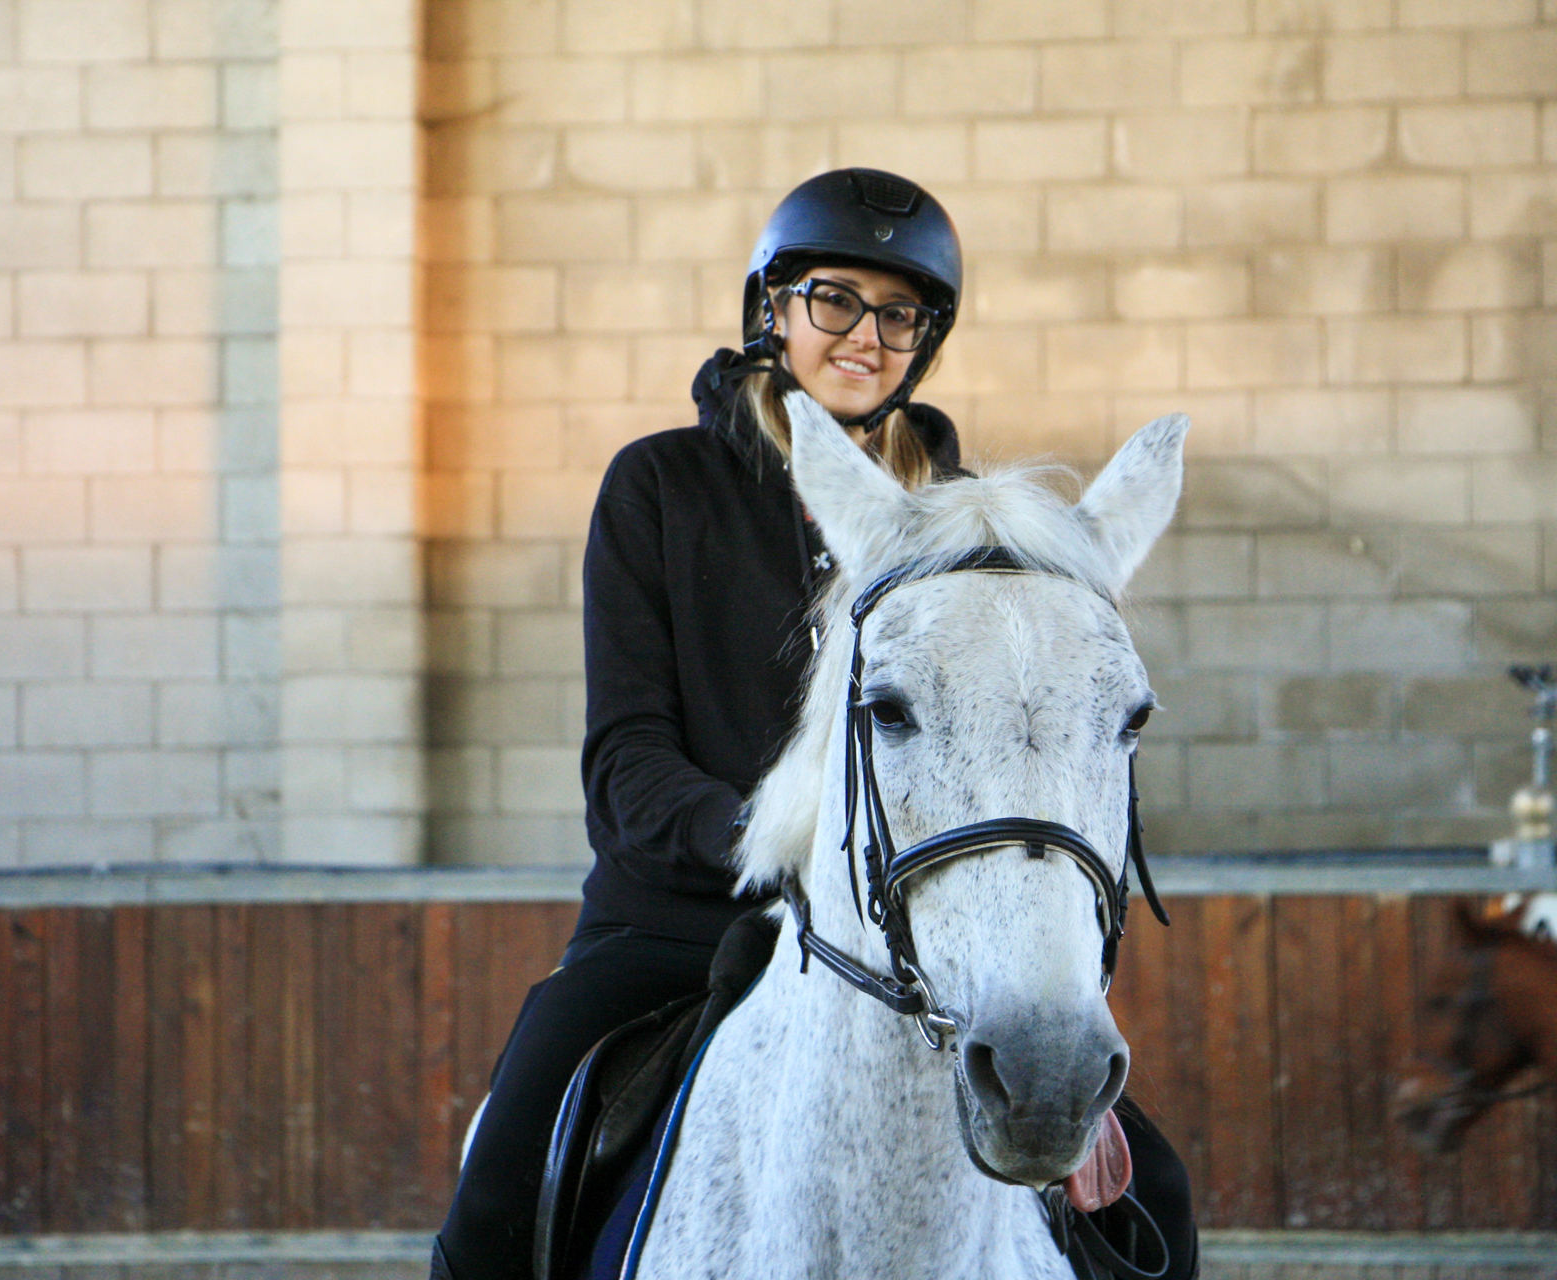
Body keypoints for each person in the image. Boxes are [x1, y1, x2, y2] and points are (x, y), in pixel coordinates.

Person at [430, 168, 1198, 1280]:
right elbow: (626, 760)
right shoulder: (661, 485)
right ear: (772, 310)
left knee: (1152, 1188)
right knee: (506, 1170)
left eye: (901, 314)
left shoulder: (962, 522)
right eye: (834, 299)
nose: (867, 335)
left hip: (911, 935)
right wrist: (780, 838)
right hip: (677, 928)